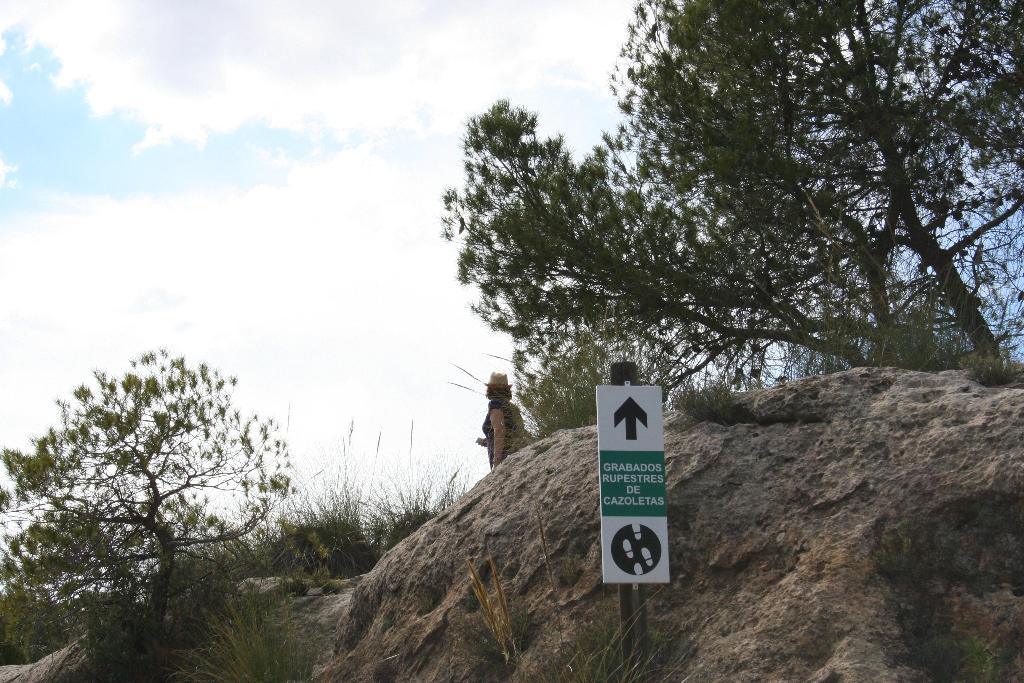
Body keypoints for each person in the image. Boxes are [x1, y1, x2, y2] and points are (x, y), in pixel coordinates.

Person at [476, 372, 523, 469]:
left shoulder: (495, 404)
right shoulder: (513, 408)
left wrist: (497, 461)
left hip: (504, 458)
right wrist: (487, 441)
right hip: (517, 453)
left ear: (490, 389)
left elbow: (499, 430)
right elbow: (515, 432)